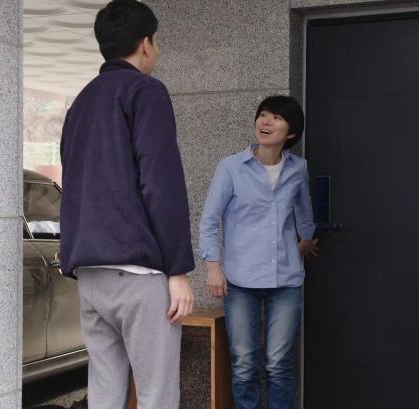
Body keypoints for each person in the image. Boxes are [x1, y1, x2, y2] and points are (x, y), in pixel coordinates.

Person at [59, 1, 194, 408]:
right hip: (137, 273)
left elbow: (75, 182)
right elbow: (161, 184)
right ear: (145, 43)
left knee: (104, 393)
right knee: (156, 395)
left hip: (90, 274)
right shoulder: (145, 91)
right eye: (157, 42)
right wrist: (177, 269)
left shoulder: (81, 102)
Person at [198, 95, 319, 409]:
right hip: (241, 282)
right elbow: (209, 220)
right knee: (244, 364)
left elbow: (303, 210)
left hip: (286, 281)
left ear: (291, 132)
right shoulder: (231, 167)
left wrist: (306, 238)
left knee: (279, 363)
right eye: (263, 115)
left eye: (276, 118)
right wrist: (213, 267)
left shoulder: (298, 168)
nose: (266, 122)